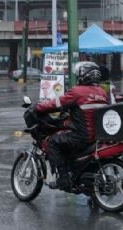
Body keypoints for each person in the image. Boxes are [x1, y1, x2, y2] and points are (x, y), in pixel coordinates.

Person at [34, 61, 109, 190]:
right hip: (97, 136)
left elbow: (57, 104)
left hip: (81, 136)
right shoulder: (102, 92)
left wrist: (39, 107)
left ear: (84, 75)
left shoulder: (77, 92)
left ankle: (63, 179)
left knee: (52, 141)